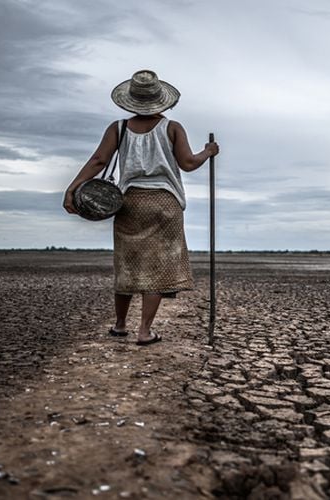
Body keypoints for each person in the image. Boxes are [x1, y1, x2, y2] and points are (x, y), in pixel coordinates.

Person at [63, 69, 219, 346]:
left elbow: (99, 160)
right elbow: (188, 163)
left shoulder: (118, 128)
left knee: (127, 264)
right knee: (157, 269)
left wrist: (73, 187)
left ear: (131, 100)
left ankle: (120, 325)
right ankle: (145, 331)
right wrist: (208, 152)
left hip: (129, 202)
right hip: (165, 204)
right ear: (161, 100)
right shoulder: (172, 127)